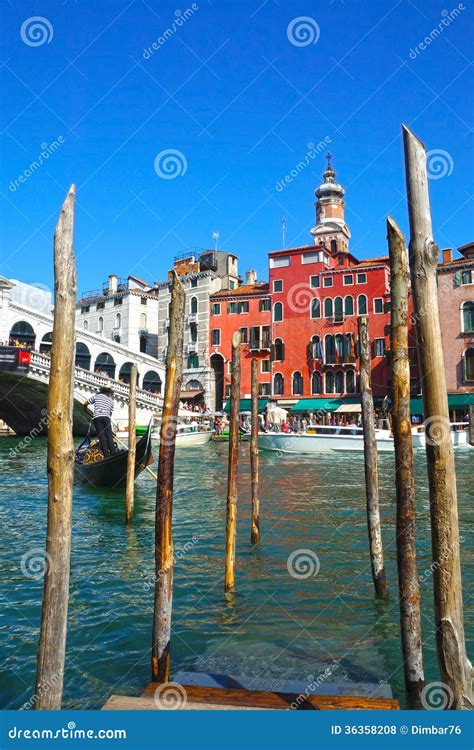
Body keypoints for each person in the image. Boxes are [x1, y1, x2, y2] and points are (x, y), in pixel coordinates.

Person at [84, 387, 117, 457]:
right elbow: (110, 414)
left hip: (97, 418)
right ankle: (114, 453)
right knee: (109, 436)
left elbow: (85, 403)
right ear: (109, 393)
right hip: (107, 418)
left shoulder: (97, 396)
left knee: (101, 436)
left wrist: (85, 410)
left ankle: (106, 455)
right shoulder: (111, 401)